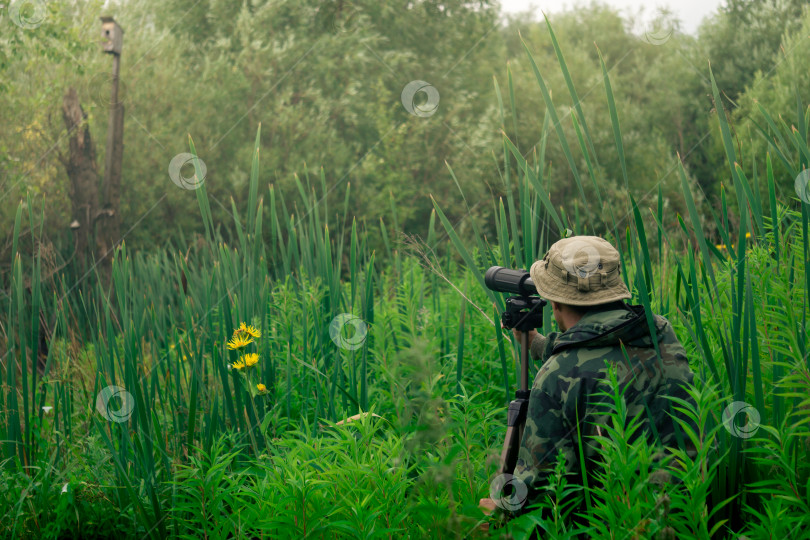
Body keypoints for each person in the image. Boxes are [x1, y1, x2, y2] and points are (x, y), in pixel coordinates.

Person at [479, 236, 698, 528]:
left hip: (613, 526)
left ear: (554, 302)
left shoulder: (556, 375)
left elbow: (541, 488)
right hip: (682, 516)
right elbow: (602, 354)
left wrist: (500, 509)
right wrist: (535, 344)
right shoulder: (660, 336)